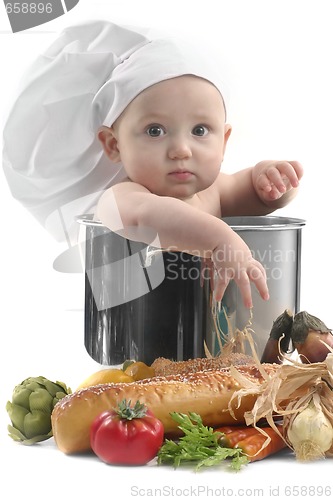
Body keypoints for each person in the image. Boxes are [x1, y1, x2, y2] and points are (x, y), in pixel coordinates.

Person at [2, 20, 303, 308]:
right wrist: (220, 240)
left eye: (199, 130)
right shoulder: (122, 198)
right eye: (155, 131)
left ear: (224, 141)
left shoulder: (215, 191)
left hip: (221, 338)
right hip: (141, 337)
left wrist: (274, 181)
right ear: (113, 144)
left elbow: (256, 193)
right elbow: (147, 218)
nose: (181, 150)